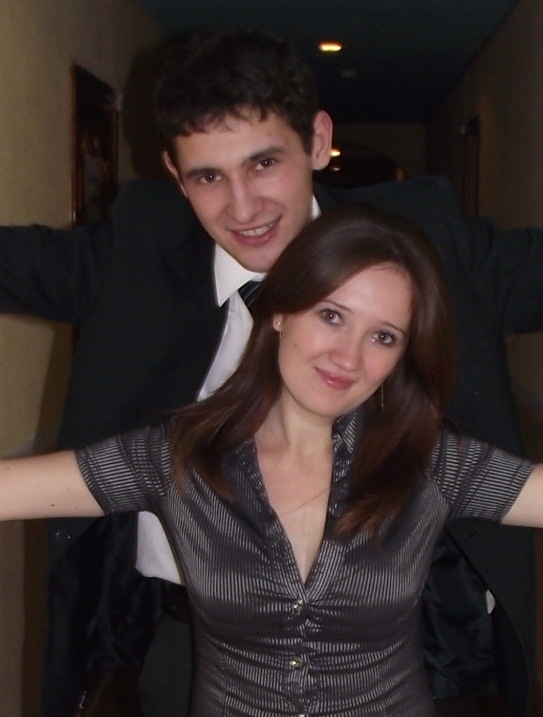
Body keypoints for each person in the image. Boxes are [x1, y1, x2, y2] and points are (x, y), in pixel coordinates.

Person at [1, 26, 542, 717]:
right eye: (208, 176)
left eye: (263, 163)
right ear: (175, 174)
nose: (243, 208)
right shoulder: (136, 251)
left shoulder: (421, 242)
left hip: (386, 634)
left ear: (317, 141)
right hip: (180, 630)